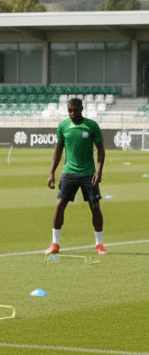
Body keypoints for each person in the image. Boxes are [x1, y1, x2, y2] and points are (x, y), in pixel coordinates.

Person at [46, 98, 106, 255]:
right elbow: (58, 150)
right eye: (70, 110)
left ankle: (99, 245)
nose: (72, 113)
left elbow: (101, 149)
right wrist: (52, 173)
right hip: (69, 172)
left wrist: (99, 170)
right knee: (60, 205)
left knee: (95, 206)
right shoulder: (63, 126)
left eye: (75, 110)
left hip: (88, 173)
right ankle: (55, 243)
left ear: (82, 109)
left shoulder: (91, 125)